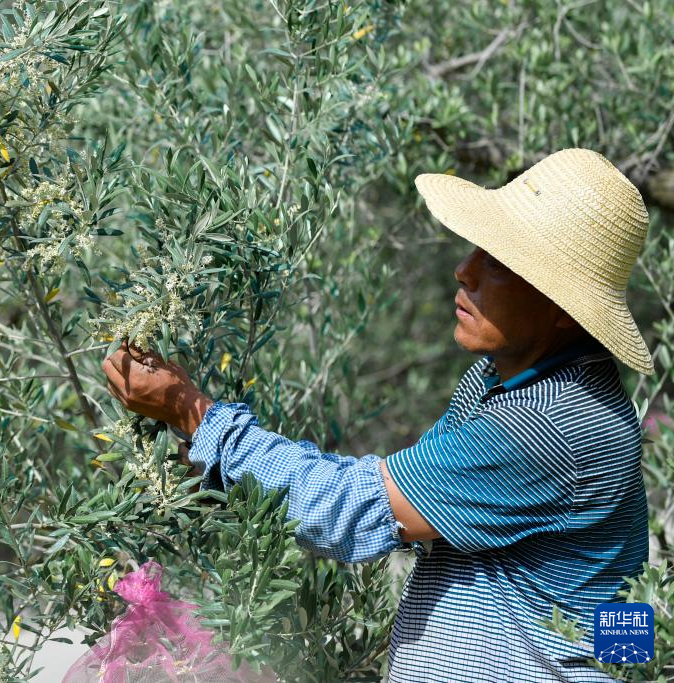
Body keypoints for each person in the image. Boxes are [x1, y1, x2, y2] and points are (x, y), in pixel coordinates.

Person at [101, 148, 654, 682]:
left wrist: (196, 414)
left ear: (562, 307)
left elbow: (355, 509)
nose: (465, 271)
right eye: (476, 250)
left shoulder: (549, 425)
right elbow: (619, 599)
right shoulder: (529, 388)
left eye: (500, 263)